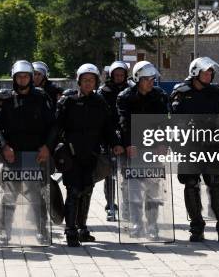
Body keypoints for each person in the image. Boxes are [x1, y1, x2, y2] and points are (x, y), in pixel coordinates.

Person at [0, 60, 56, 246]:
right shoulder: (6, 99)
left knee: (37, 195)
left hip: (36, 155)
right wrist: (4, 147)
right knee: (9, 195)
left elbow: (53, 126)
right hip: (13, 156)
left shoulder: (42, 97)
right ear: (14, 78)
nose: (22, 79)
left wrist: (47, 147)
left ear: (31, 77)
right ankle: (4, 232)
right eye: (19, 76)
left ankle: (42, 231)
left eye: (26, 76)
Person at [171, 57, 219, 245]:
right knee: (190, 185)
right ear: (195, 72)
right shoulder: (181, 93)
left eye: (210, 73)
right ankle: (196, 228)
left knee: (216, 185)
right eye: (205, 72)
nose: (209, 75)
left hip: (214, 146)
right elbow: (174, 121)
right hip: (190, 147)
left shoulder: (217, 92)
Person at [56, 63, 118, 246]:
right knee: (73, 191)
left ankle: (82, 228)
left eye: (91, 80)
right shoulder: (68, 102)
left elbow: (108, 128)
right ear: (79, 82)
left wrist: (116, 144)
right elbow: (56, 127)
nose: (88, 83)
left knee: (86, 191)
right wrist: (49, 149)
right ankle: (71, 231)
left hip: (91, 154)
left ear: (96, 82)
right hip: (71, 154)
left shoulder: (100, 102)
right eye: (85, 80)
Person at [116, 60, 170, 239]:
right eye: (146, 79)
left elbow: (164, 122)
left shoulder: (160, 96)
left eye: (152, 78)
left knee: (153, 188)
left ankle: (153, 225)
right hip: (133, 147)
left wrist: (164, 144)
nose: (150, 82)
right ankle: (137, 223)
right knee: (134, 187)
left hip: (153, 147)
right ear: (138, 79)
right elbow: (124, 123)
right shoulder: (125, 97)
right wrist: (128, 145)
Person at [97, 61, 131, 221]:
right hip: (109, 137)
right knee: (109, 174)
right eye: (116, 75)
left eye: (121, 75)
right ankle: (110, 205)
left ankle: (128, 205)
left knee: (127, 173)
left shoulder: (131, 90)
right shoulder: (103, 92)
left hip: (126, 135)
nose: (119, 78)